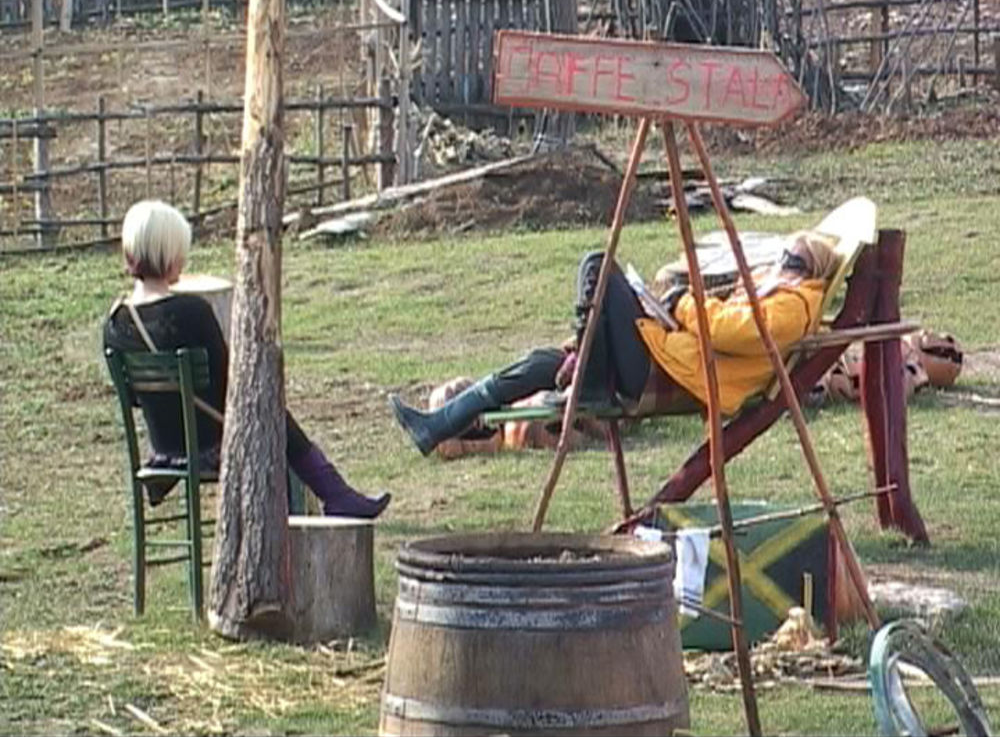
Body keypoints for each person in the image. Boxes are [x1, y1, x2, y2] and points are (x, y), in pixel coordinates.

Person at [390, 231, 843, 456]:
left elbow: (731, 331)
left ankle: (586, 381)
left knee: (599, 266)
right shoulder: (772, 290)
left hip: (673, 376)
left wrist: (683, 303)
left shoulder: (795, 304)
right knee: (539, 363)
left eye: (794, 259)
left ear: (811, 269)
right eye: (785, 255)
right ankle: (440, 426)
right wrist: (581, 345)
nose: (783, 262)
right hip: (665, 356)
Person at [104, 199, 390, 519]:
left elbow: (132, 399)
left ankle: (337, 495)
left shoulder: (115, 323)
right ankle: (331, 497)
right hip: (210, 446)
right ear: (170, 254)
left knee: (271, 414)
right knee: (270, 414)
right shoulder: (191, 312)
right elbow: (233, 381)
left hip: (164, 450)